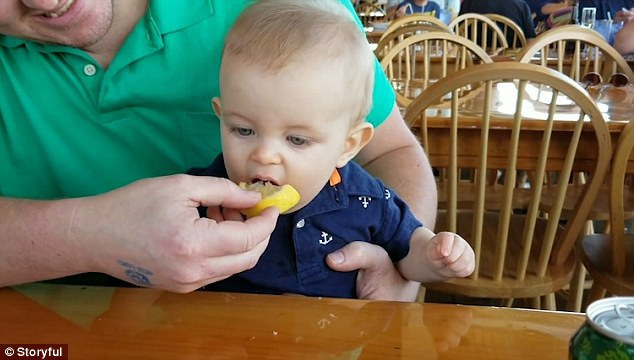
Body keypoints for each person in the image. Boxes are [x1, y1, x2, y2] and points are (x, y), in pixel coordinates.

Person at [0, 0, 437, 301]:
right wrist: (90, 235)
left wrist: (400, 273)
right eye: (243, 129)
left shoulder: (301, 14)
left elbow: (390, 150)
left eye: (296, 139)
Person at [190, 0, 475, 298]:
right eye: (244, 130)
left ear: (347, 145)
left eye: (297, 140)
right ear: (221, 117)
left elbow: (408, 252)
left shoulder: (366, 199)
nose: (264, 154)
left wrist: (434, 258)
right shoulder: (204, 194)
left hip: (336, 340)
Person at [459, 0, 538, 43]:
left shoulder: (468, 3)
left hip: (475, 64)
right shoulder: (521, 5)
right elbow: (531, 41)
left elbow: (458, 33)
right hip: (512, 66)